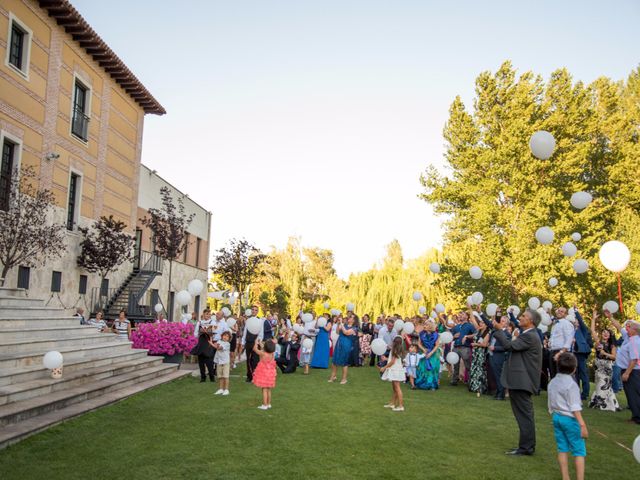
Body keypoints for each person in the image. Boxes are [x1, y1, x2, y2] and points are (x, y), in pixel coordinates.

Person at [492, 308, 543, 456]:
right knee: (523, 415)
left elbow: (509, 346)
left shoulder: (530, 336)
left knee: (524, 415)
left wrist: (499, 330)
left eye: (523, 316)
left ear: (531, 321)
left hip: (523, 381)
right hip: (520, 381)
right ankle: (526, 446)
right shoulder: (528, 335)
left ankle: (526, 448)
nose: (520, 318)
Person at [548, 353, 588, 480]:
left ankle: (565, 478)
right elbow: (575, 407)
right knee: (579, 451)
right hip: (570, 420)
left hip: (557, 417)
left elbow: (551, 401)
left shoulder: (552, 382)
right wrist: (582, 424)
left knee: (562, 448)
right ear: (574, 368)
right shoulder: (572, 385)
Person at [588, 309, 619, 411]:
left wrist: (605, 353)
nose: (605, 334)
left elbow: (614, 357)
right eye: (604, 332)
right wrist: (593, 319)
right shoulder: (598, 342)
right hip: (598, 366)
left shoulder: (612, 345)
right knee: (599, 384)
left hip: (606, 367)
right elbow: (592, 331)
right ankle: (611, 403)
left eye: (607, 333)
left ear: (610, 335)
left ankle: (600, 404)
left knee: (603, 384)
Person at [614, 320, 640, 424]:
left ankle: (637, 418)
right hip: (630, 370)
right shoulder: (629, 338)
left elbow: (634, 359)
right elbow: (620, 328)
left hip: (632, 371)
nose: (626, 328)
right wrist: (610, 317)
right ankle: (636, 416)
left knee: (633, 394)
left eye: (629, 327)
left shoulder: (634, 341)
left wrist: (627, 373)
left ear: (635, 330)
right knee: (632, 394)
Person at [329, 314, 358, 384]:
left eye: (351, 317)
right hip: (339, 344)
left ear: (354, 320)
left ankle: (344, 379)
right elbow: (337, 332)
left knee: (344, 362)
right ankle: (333, 376)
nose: (349, 317)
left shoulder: (355, 328)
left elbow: (346, 332)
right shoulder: (344, 325)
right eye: (349, 316)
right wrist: (339, 324)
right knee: (335, 360)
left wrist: (341, 323)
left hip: (346, 345)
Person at [571, 307, 592, 400]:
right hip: (572, 354)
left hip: (580, 353)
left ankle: (585, 393)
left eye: (575, 320)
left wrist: (576, 311)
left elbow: (581, 320)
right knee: (574, 374)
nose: (574, 321)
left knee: (583, 373)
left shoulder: (582, 330)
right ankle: (576, 392)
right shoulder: (570, 330)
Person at [380, 336, 406, 411]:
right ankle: (392, 403)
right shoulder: (396, 349)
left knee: (397, 388)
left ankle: (401, 406)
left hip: (395, 370)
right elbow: (393, 360)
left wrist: (384, 368)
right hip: (395, 369)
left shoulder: (395, 349)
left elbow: (392, 362)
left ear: (395, 342)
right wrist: (386, 359)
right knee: (395, 388)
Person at [548, 307, 575, 379]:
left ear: (565, 314)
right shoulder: (555, 324)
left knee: (562, 376)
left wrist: (560, 352)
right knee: (553, 376)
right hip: (552, 351)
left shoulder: (566, 324)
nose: (559, 312)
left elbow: (569, 339)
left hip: (562, 353)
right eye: (558, 310)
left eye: (562, 311)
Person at [451, 311, 475, 385]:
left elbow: (476, 334)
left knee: (467, 365)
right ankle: (454, 380)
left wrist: (467, 336)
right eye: (459, 314)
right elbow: (450, 337)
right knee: (455, 365)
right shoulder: (456, 327)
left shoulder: (470, 326)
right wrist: (453, 336)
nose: (460, 315)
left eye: (462, 314)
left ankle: (470, 381)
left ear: (467, 317)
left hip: (465, 347)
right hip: (456, 347)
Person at [415, 319, 440, 390]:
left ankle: (432, 385)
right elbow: (419, 343)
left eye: (426, 325)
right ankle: (423, 383)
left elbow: (437, 345)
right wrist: (423, 349)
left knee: (432, 368)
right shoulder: (421, 333)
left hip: (434, 353)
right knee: (423, 368)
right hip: (424, 352)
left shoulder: (436, 334)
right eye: (424, 324)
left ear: (430, 326)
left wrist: (431, 353)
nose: (424, 326)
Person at [191, 310, 216, 383]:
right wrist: (200, 332)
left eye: (209, 314)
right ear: (203, 314)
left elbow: (215, 332)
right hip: (201, 342)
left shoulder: (212, 322)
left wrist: (209, 332)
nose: (208, 315)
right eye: (206, 314)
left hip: (208, 343)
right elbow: (195, 334)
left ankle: (212, 377)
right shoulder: (199, 322)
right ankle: (203, 377)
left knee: (209, 362)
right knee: (201, 361)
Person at [489, 314, 509, 400]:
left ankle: (501, 394)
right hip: (491, 355)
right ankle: (498, 392)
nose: (501, 322)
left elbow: (507, 347)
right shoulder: (495, 331)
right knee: (495, 375)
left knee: (499, 375)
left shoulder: (507, 334)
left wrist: (495, 348)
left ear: (506, 324)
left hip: (499, 356)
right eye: (500, 320)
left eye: (503, 321)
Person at [241, 305, 264, 382]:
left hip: (255, 343)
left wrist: (257, 342)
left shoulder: (260, 321)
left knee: (255, 360)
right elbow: (245, 331)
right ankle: (249, 376)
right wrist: (242, 342)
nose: (254, 311)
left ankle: (256, 376)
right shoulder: (248, 320)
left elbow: (261, 333)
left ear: (257, 312)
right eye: (253, 310)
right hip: (248, 342)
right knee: (248, 360)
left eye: (255, 310)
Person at [252, 340, 277, 410]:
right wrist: (260, 343)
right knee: (269, 389)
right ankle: (268, 404)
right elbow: (264, 348)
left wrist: (255, 343)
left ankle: (264, 405)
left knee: (264, 389)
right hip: (270, 373)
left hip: (264, 374)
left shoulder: (262, 353)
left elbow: (254, 349)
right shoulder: (272, 354)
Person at [469, 319, 490, 396]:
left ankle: (480, 387)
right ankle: (474, 386)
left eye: (483, 323)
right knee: (474, 369)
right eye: (480, 322)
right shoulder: (478, 332)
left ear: (486, 325)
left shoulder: (487, 333)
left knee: (480, 370)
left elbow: (485, 344)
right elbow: (473, 320)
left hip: (481, 353)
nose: (481, 324)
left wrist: (475, 344)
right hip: (475, 353)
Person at [214, 331, 232, 395]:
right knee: (220, 376)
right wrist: (212, 343)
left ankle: (226, 390)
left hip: (226, 362)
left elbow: (219, 348)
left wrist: (214, 344)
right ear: (222, 336)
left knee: (225, 376)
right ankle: (221, 389)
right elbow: (216, 345)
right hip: (219, 361)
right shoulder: (219, 341)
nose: (225, 337)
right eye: (224, 335)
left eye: (227, 336)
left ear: (229, 338)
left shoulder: (227, 344)